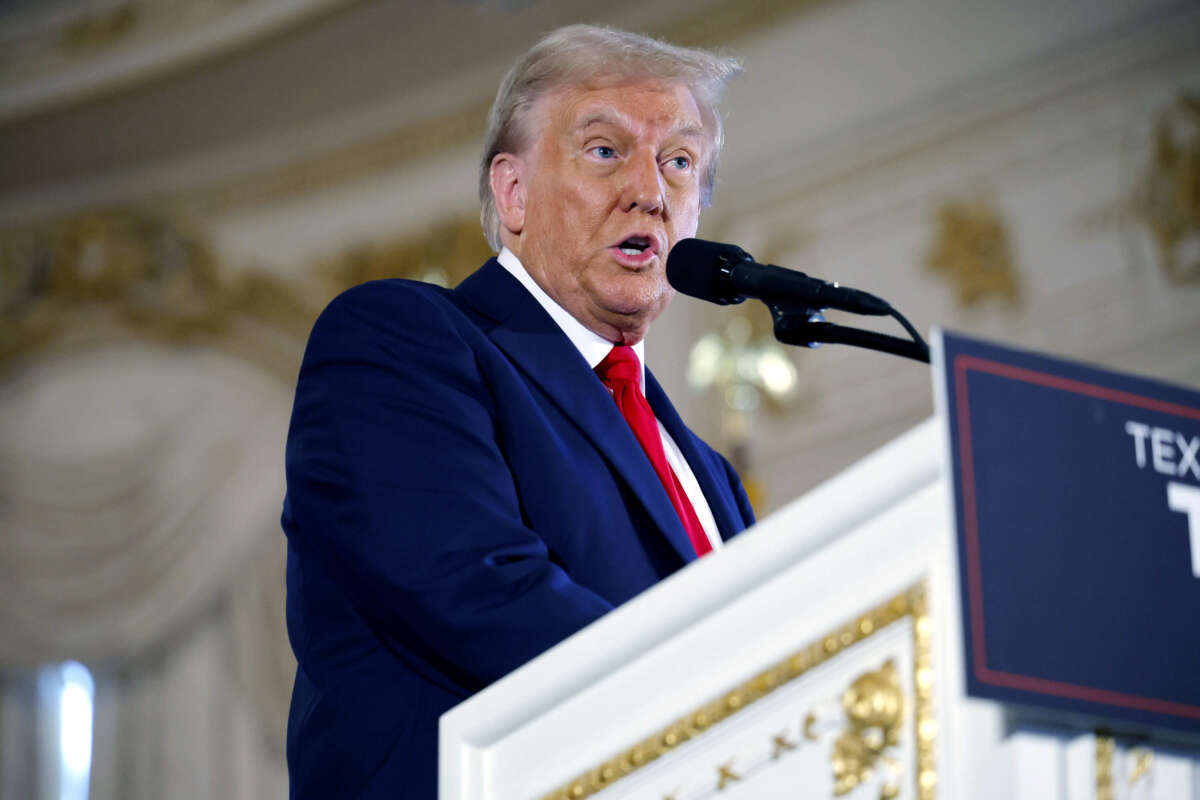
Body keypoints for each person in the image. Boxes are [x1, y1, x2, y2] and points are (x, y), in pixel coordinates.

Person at [281, 24, 754, 799]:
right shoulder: (402, 341)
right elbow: (477, 590)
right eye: (605, 151)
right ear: (513, 194)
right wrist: (722, 702)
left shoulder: (709, 474)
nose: (650, 191)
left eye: (679, 161)